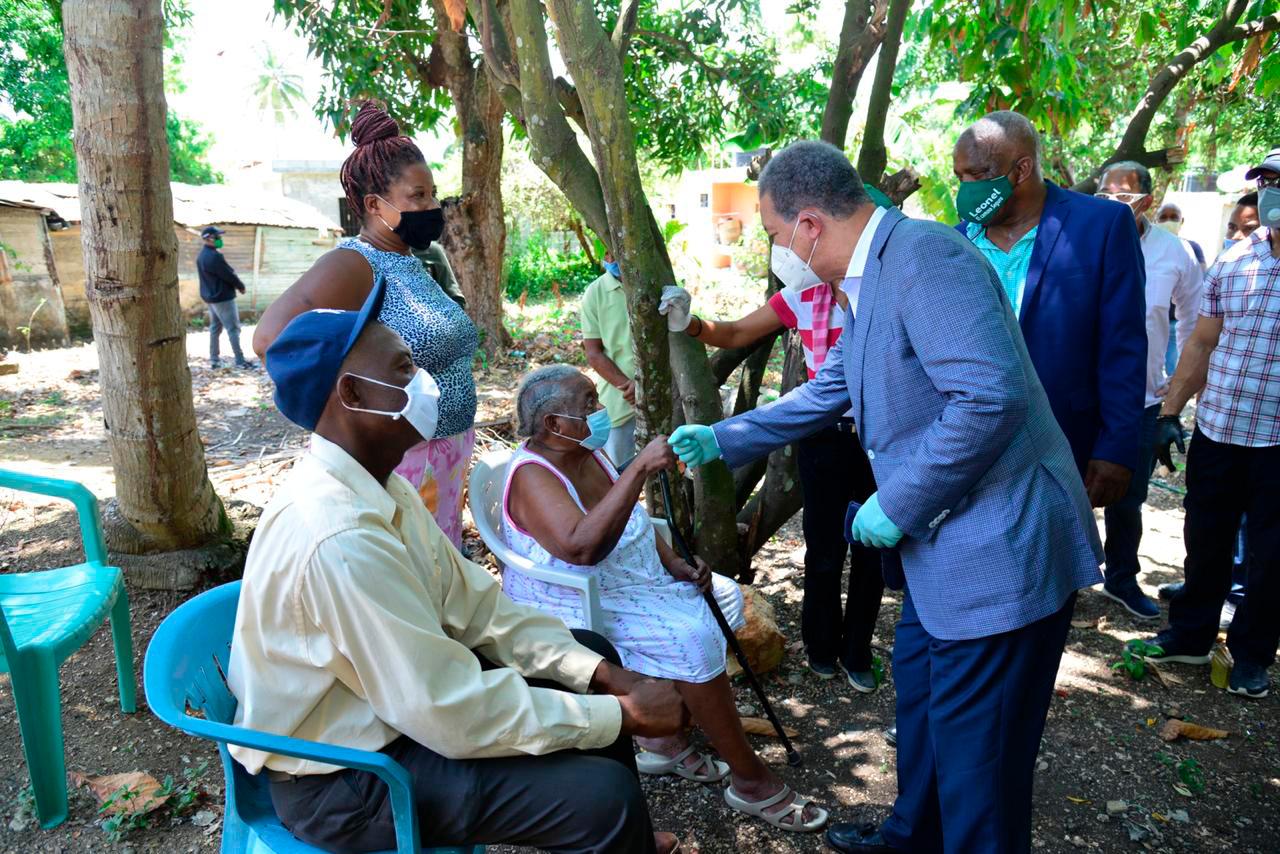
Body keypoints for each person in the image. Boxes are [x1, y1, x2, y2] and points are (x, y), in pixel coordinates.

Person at [666, 140, 1103, 854]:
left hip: (995, 552)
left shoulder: (927, 260)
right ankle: (911, 836)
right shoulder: (869, 277)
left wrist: (897, 502)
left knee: (981, 767)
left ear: (810, 224)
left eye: (776, 235)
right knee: (929, 718)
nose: (778, 251)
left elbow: (988, 399)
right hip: (943, 556)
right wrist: (725, 437)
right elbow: (835, 385)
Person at [229, 288, 688, 854]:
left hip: (387, 715)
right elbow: (442, 708)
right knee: (600, 797)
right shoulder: (338, 535)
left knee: (592, 651)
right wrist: (616, 716)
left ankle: (626, 842)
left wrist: (600, 677)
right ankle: (617, 828)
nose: (426, 382)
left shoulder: (380, 484)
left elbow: (478, 608)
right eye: (404, 368)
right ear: (351, 393)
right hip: (345, 779)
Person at [501, 365, 829, 833]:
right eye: (588, 404)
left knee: (726, 598)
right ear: (554, 424)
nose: (599, 411)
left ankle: (666, 742)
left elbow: (627, 518)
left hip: (631, 577)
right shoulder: (536, 476)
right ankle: (750, 781)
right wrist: (637, 468)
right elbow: (581, 548)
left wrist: (673, 561)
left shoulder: (586, 451)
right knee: (692, 636)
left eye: (596, 400)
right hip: (577, 594)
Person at [657, 249, 885, 692]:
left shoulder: (881, 291)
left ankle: (857, 650)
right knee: (823, 546)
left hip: (880, 435)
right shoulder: (804, 294)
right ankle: (820, 648)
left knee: (873, 549)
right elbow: (740, 331)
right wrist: (690, 323)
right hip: (822, 433)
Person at [253, 101, 479, 547]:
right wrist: (349, 398)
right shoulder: (355, 264)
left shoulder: (412, 261)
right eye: (418, 196)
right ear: (376, 205)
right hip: (406, 460)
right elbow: (270, 339)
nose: (432, 205)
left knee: (439, 566)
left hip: (445, 451)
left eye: (432, 193)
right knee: (412, 570)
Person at [1139, 148, 1280, 700]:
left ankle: (1251, 655)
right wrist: (1171, 414)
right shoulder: (1234, 260)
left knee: (1271, 558)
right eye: (1265, 182)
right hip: (1220, 429)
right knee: (1206, 538)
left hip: (1277, 442)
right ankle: (1192, 634)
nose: (1269, 192)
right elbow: (1201, 341)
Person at [952, 111, 1147, 508]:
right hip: (972, 446)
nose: (967, 189)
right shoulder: (957, 241)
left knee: (1054, 562)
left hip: (1064, 437)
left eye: (978, 175)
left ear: (1022, 169)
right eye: (960, 178)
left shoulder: (1102, 225)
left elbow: (1123, 345)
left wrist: (1116, 447)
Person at [1093, 162, 1203, 620]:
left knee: (1127, 496)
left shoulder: (1174, 253)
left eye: (1125, 195)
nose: (1114, 202)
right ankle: (1060, 578)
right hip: (1077, 394)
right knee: (1061, 487)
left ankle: (1120, 577)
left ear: (1147, 201)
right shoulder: (1081, 240)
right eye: (1106, 193)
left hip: (1138, 401)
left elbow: (1197, 325)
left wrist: (1173, 397)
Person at [579, 253, 638, 465]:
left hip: (664, 395)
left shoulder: (654, 284)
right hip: (620, 402)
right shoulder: (595, 293)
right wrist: (629, 386)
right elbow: (593, 353)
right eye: (609, 251)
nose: (613, 256)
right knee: (620, 474)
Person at [196, 225, 256, 370]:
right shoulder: (215, 256)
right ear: (209, 238)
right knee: (233, 329)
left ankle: (214, 360)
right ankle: (240, 361)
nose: (220, 239)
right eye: (217, 237)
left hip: (211, 298)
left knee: (215, 328)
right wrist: (240, 286)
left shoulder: (201, 256)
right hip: (223, 298)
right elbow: (228, 275)